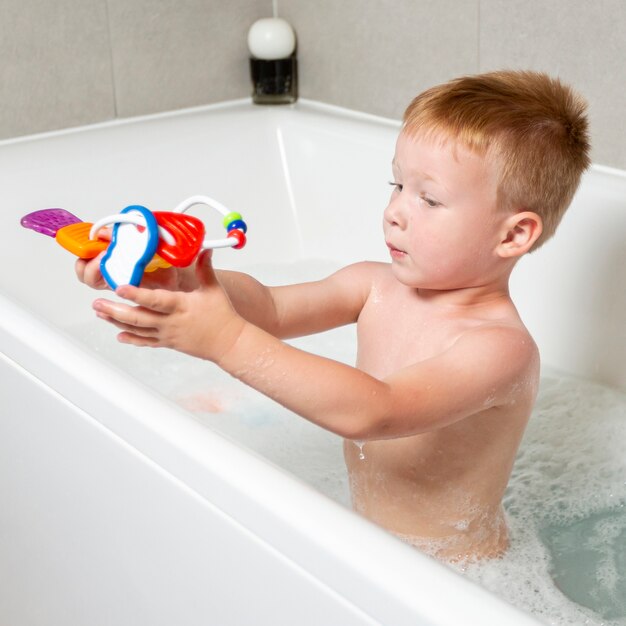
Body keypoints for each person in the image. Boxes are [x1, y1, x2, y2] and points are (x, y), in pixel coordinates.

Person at [77, 70, 591, 561]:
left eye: (429, 198)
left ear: (513, 235)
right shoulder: (375, 284)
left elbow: (376, 412)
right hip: (373, 545)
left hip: (456, 570)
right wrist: (177, 279)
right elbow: (271, 308)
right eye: (397, 185)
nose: (396, 210)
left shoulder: (500, 349)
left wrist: (226, 342)